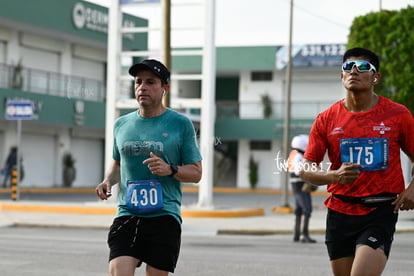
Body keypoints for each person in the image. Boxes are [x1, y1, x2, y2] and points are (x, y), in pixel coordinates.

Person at [299, 47, 414, 276]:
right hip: (339, 212)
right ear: (341, 76)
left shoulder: (398, 115)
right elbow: (306, 168)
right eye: (347, 67)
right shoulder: (326, 119)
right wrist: (333, 176)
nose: (353, 71)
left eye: (362, 67)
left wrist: (413, 188)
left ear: (375, 77)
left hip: (379, 211)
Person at [96, 59, 202, 276]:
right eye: (138, 82)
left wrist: (170, 169)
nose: (142, 87)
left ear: (165, 88)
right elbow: (118, 163)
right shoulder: (121, 124)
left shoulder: (181, 124)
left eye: (150, 82)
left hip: (164, 215)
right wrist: (107, 181)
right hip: (127, 212)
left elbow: (196, 172)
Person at [288, 134, 316, 243]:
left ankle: (297, 234)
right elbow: (299, 171)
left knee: (299, 209)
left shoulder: (293, 154)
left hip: (296, 185)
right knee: (307, 209)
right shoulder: (298, 156)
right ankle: (304, 234)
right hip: (301, 186)